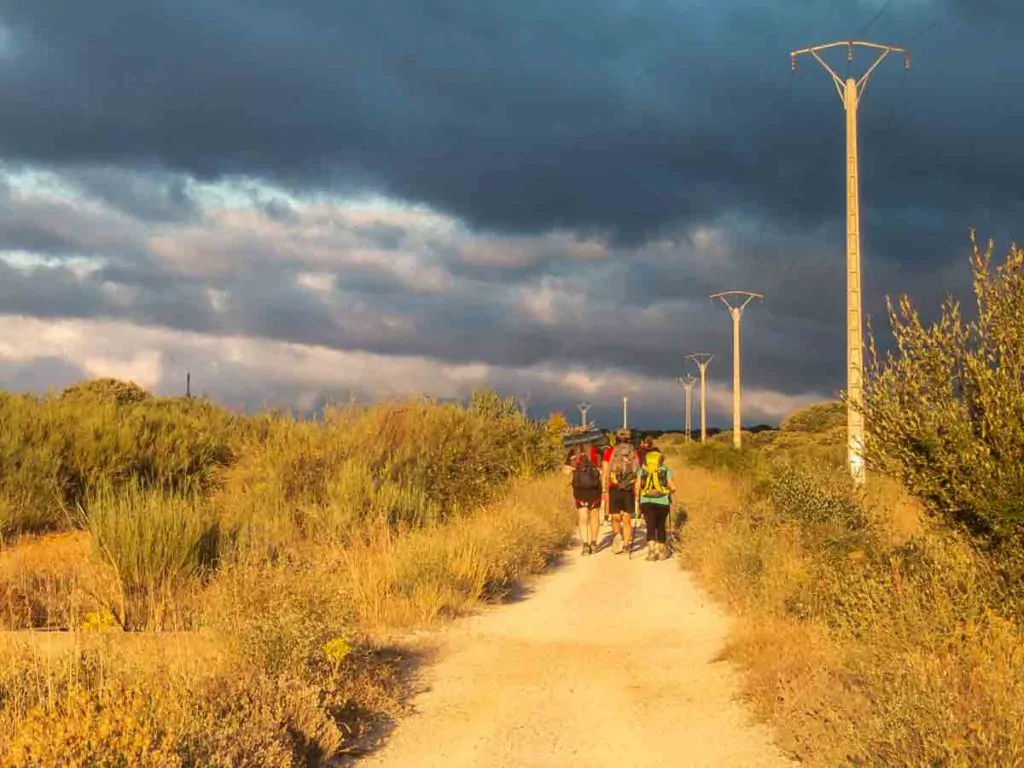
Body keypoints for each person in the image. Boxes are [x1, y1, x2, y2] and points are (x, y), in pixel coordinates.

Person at [602, 429, 640, 555]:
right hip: (629, 488)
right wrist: (638, 492)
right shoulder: (633, 453)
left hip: (614, 487)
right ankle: (626, 546)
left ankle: (617, 535)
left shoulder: (610, 452)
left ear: (616, 439)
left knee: (615, 516)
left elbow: (605, 472)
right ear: (629, 440)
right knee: (627, 518)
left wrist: (604, 491)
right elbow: (638, 473)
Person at [637, 441, 677, 560]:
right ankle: (661, 552)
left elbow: (637, 486)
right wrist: (670, 492)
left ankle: (651, 552)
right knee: (660, 526)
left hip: (646, 501)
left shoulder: (642, 470)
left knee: (650, 525)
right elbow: (673, 487)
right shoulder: (665, 470)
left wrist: (637, 499)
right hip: (662, 501)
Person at [564, 442, 603, 555]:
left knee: (583, 517)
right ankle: (594, 544)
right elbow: (603, 469)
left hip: (580, 490)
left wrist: (572, 468)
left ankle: (585, 545)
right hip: (595, 489)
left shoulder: (573, 452)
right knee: (594, 515)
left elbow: (566, 471)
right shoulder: (597, 451)